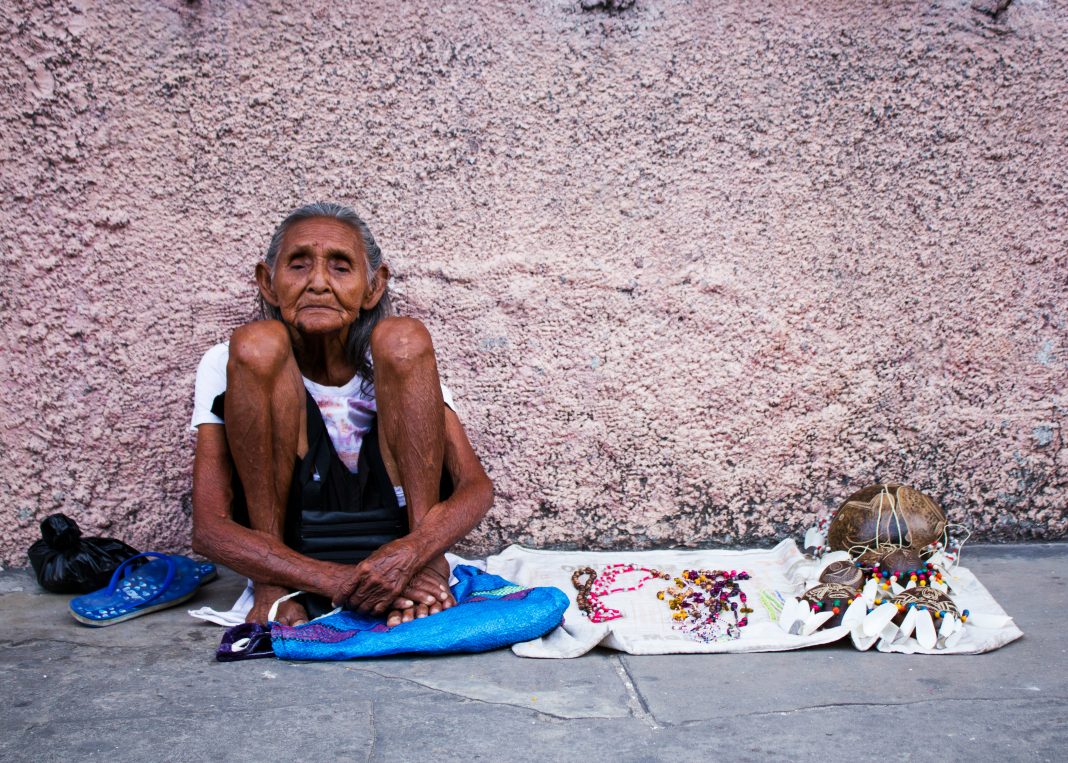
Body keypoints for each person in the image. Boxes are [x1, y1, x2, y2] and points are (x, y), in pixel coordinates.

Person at [190, 202, 494, 627]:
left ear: (374, 286)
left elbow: (475, 487)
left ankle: (425, 567)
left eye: (341, 268)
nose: (317, 284)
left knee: (404, 335)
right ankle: (273, 585)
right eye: (297, 266)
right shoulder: (229, 361)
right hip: (290, 551)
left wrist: (415, 553)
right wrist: (340, 582)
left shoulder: (394, 359)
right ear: (268, 282)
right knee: (257, 343)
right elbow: (209, 528)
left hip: (398, 542)